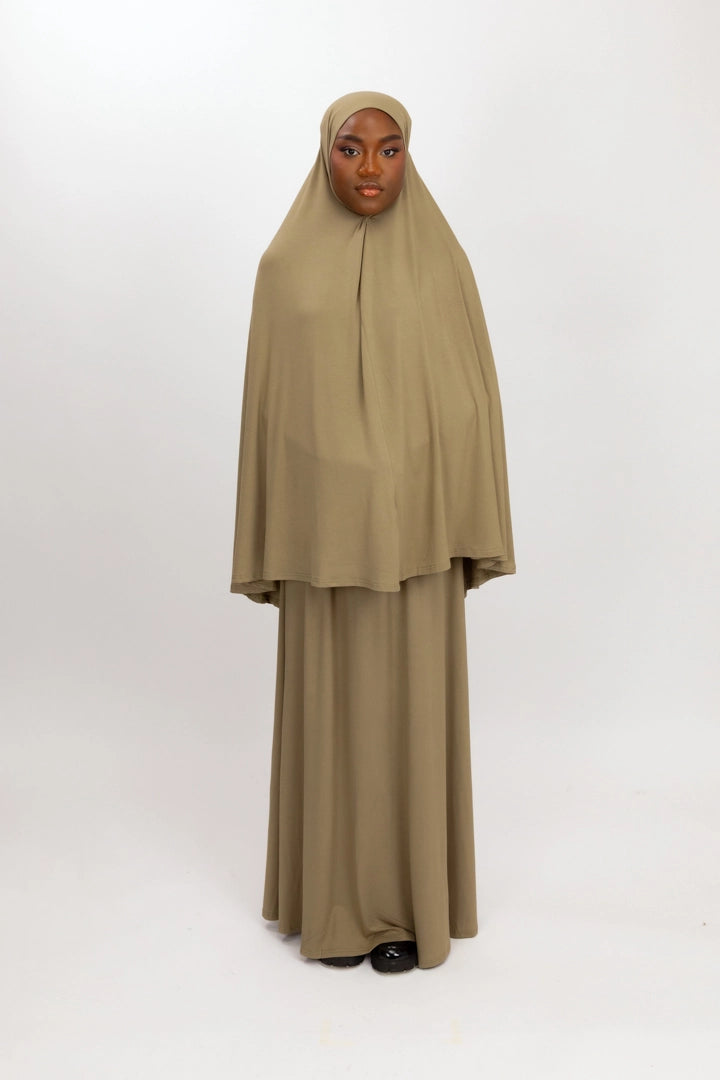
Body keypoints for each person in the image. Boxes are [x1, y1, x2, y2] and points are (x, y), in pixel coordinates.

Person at [230, 91, 515, 974]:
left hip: (416, 531)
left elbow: (472, 401)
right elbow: (271, 412)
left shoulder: (442, 263)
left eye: (390, 150)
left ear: (408, 158)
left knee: (411, 712)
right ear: (325, 153)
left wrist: (420, 473)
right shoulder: (284, 268)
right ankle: (333, 906)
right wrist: (331, 475)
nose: (369, 168)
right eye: (351, 148)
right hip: (326, 536)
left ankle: (403, 910)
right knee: (334, 710)